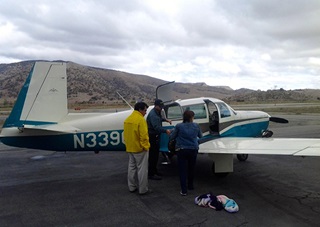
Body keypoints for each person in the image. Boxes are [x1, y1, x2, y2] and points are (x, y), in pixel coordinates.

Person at [170, 110, 203, 196]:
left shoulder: (179, 126)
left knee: (182, 170)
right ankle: (190, 185)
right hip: (193, 150)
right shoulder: (196, 126)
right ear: (192, 118)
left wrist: (171, 132)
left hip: (182, 150)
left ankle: (184, 190)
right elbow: (200, 136)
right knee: (191, 168)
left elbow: (172, 137)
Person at [123, 102, 152, 195]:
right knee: (142, 170)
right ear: (140, 110)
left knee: (131, 168)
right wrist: (146, 147)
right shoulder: (141, 120)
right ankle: (143, 189)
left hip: (130, 148)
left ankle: (131, 187)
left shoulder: (128, 119)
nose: (145, 112)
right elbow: (144, 136)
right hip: (140, 149)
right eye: (145, 110)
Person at [147, 99, 171, 180]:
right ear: (156, 106)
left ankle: (154, 171)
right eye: (160, 106)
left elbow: (159, 119)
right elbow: (156, 127)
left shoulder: (157, 112)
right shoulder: (153, 115)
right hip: (152, 136)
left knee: (156, 155)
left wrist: (165, 120)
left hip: (155, 136)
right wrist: (165, 131)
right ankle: (151, 174)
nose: (161, 108)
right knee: (153, 155)